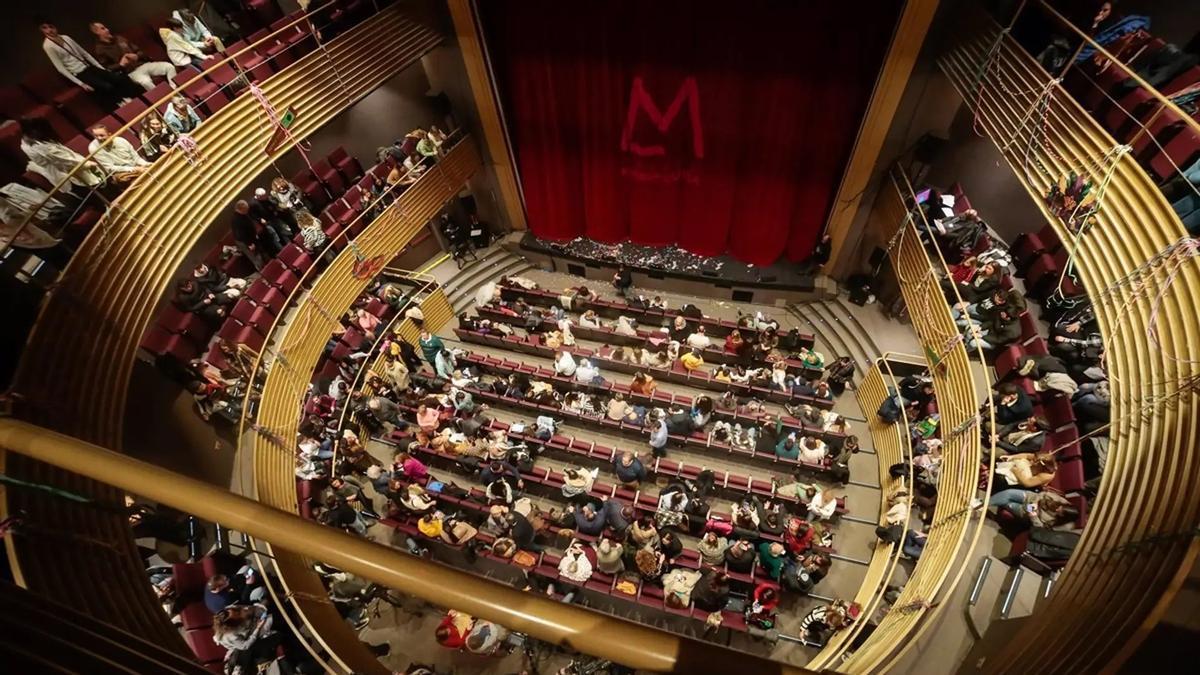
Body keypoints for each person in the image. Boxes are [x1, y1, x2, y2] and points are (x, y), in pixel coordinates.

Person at [39, 22, 142, 108]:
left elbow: (84, 54)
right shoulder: (48, 46)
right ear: (42, 30)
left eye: (51, 27)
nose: (49, 30)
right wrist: (81, 83)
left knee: (118, 78)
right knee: (106, 86)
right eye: (45, 28)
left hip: (89, 67)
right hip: (79, 73)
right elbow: (60, 68)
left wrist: (101, 68)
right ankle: (123, 105)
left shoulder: (66, 38)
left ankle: (138, 99)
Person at [20, 117, 105, 191]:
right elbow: (67, 161)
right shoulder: (40, 146)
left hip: (68, 168)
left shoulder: (27, 140)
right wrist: (89, 164)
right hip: (70, 174)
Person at [90, 21, 177, 91]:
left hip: (143, 64)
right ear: (96, 32)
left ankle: (175, 92)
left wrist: (136, 56)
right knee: (146, 82)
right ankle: (164, 100)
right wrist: (120, 64)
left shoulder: (119, 38)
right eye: (103, 28)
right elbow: (107, 68)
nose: (107, 29)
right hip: (131, 72)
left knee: (169, 67)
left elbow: (140, 51)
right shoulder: (100, 49)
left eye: (105, 27)